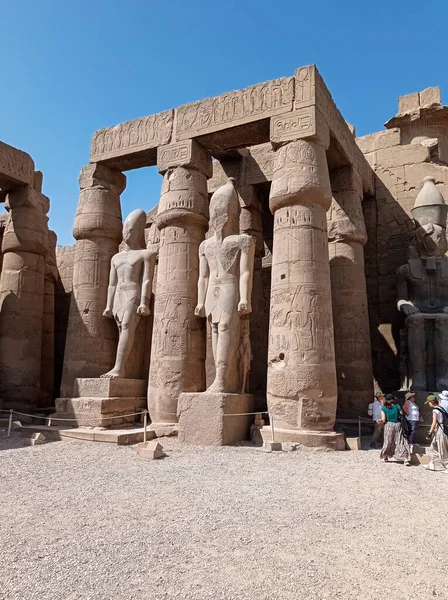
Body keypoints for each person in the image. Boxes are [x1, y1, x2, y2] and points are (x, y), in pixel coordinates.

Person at [378, 394, 411, 465]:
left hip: (389, 425)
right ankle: (405, 458)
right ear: (393, 399)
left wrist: (379, 421)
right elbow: (401, 414)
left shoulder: (384, 408)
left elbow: (383, 419)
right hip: (397, 425)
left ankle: (385, 456)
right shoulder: (397, 406)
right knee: (400, 441)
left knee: (388, 441)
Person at [424, 394, 448, 473]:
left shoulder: (435, 410)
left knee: (442, 449)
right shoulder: (441, 408)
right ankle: (433, 464)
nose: (428, 404)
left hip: (441, 430)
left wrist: (429, 433)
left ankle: (446, 466)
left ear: (432, 402)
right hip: (442, 429)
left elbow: (434, 423)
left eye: (429, 402)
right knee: (433, 446)